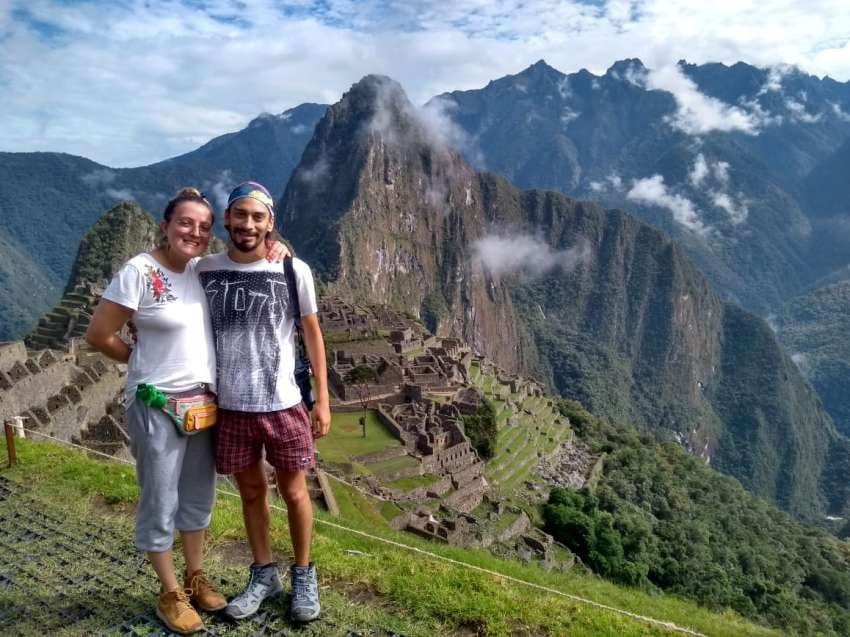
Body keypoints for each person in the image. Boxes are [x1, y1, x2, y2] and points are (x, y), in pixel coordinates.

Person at [85, 188, 287, 634]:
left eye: (201, 226)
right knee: (160, 498)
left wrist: (279, 245)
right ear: (165, 224)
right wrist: (139, 363)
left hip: (203, 404)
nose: (193, 232)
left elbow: (252, 253)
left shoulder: (202, 269)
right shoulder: (139, 271)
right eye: (184, 223)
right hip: (157, 403)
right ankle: (169, 591)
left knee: (197, 496)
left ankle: (195, 578)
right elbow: (99, 335)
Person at [196, 181, 331, 623]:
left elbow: (312, 333)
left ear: (270, 222)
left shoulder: (294, 270)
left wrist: (322, 399)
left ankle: (304, 574)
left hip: (283, 403)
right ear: (227, 219)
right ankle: (263, 572)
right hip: (231, 405)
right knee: (251, 493)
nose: (248, 224)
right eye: (240, 215)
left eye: (258, 217)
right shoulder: (203, 269)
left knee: (294, 493)